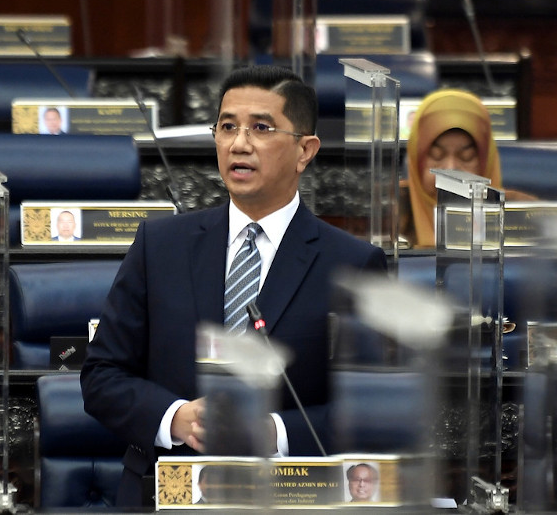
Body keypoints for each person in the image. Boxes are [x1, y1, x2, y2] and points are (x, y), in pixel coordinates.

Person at [81, 65, 387, 507]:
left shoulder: (352, 264)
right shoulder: (159, 246)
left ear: (305, 149)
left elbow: (372, 410)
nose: (239, 144)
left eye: (261, 128)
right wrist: (177, 418)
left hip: (289, 495)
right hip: (164, 493)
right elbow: (101, 375)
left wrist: (275, 433)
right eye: (227, 127)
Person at [399, 88, 534, 247]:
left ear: (487, 161)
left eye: (467, 157)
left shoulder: (520, 213)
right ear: (416, 160)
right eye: (436, 155)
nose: (451, 168)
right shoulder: (387, 210)